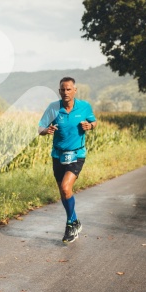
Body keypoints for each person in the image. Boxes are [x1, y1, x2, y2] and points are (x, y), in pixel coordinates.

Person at [38, 77, 97, 243]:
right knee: (64, 192)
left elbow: (94, 121)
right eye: (62, 90)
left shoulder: (84, 107)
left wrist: (90, 126)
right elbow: (40, 128)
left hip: (77, 154)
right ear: (59, 91)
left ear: (74, 90)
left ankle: (70, 224)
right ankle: (75, 221)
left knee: (65, 187)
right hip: (58, 155)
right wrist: (46, 130)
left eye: (69, 89)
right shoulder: (53, 108)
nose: (65, 92)